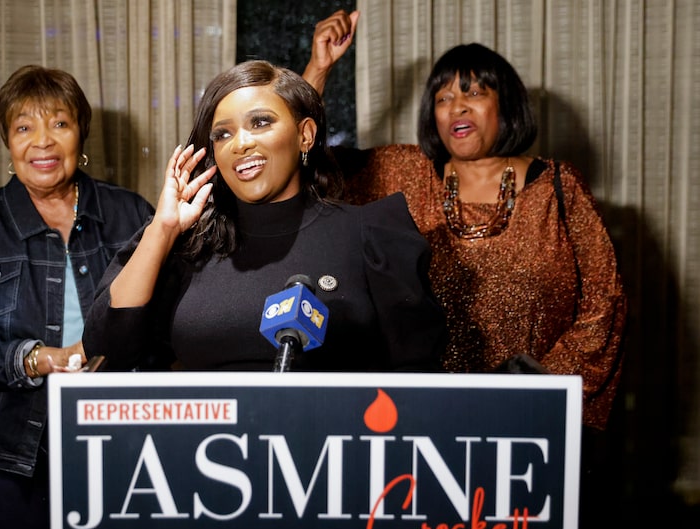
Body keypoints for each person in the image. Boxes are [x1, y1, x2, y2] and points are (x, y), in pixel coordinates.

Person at [302, 10, 627, 432]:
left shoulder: (559, 188)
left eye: (473, 92)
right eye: (442, 98)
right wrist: (319, 68)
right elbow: (302, 160)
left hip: (534, 420)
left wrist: (544, 390)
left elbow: (605, 301)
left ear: (505, 103)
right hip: (422, 418)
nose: (456, 105)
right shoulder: (404, 174)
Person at [0, 65, 154, 529]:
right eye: (24, 127)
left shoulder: (131, 214)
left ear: (80, 134)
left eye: (59, 124)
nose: (42, 142)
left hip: (114, 442)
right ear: (8, 141)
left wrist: (122, 361)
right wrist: (36, 357)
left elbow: (168, 319)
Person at [83, 60, 447, 373]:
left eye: (260, 123)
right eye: (222, 134)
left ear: (305, 135)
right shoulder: (187, 243)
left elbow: (417, 378)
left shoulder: (370, 234)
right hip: (207, 449)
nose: (240, 143)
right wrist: (163, 229)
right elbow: (108, 349)